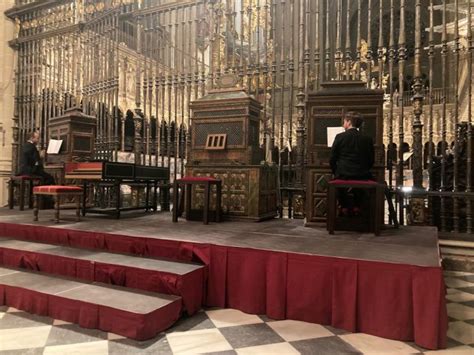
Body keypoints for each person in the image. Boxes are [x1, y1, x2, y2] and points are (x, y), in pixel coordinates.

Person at [330, 112, 375, 215]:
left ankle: (344, 206)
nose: (343, 124)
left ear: (349, 122)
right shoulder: (367, 138)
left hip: (344, 173)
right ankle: (357, 206)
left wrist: (335, 171)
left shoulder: (340, 137)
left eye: (344, 121)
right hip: (362, 174)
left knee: (338, 185)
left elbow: (332, 158)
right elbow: (371, 159)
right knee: (359, 186)